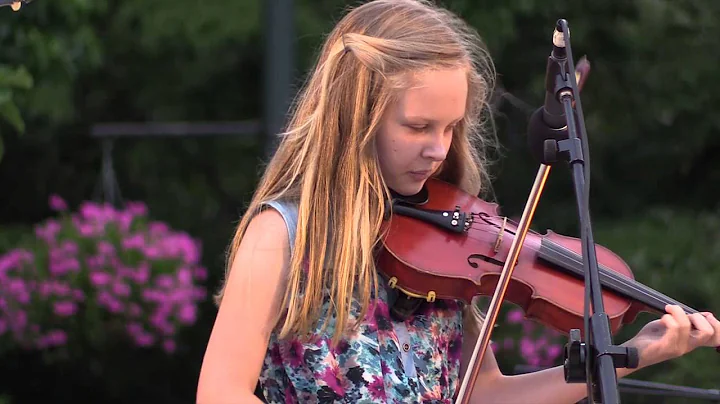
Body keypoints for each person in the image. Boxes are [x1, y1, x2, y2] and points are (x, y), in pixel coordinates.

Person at [196, 0, 720, 403]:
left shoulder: (445, 240)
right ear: (355, 118)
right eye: (418, 126)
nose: (439, 148)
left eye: (450, 127)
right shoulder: (284, 234)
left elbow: (483, 393)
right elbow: (219, 391)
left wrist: (628, 355)